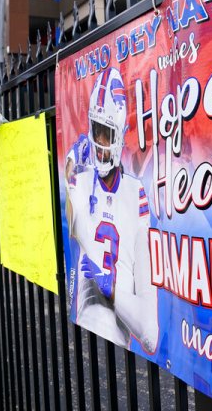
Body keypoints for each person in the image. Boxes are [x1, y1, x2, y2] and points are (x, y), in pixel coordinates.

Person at [64, 67, 159, 354]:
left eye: (107, 134)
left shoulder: (136, 193)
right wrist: (71, 170)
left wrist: (112, 287)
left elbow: (151, 336)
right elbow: (73, 225)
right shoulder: (81, 182)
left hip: (119, 339)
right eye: (96, 131)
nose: (100, 143)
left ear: (120, 135)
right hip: (84, 322)